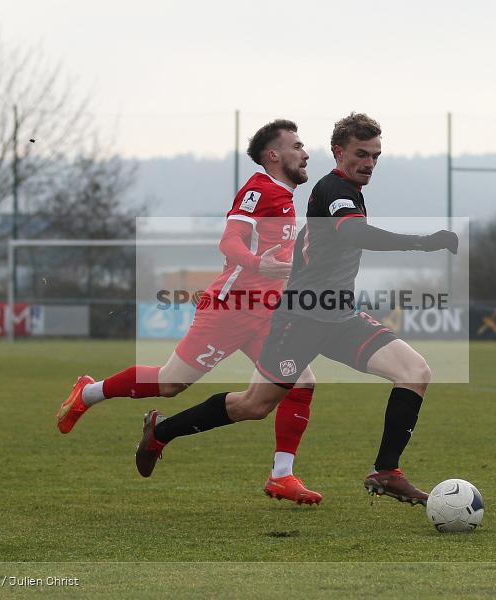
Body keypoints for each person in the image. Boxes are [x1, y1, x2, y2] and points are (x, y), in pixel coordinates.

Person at [133, 112, 459, 506]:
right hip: (300, 320)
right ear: (338, 152)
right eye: (361, 153)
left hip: (339, 316)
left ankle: (386, 472)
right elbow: (353, 232)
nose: (369, 163)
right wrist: (422, 242)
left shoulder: (350, 192)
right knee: (254, 406)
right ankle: (162, 432)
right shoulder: (333, 189)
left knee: (415, 371)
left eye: (375, 155)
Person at [56, 119, 324, 505]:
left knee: (300, 382)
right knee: (170, 383)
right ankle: (89, 392)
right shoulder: (258, 189)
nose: (305, 152)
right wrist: (256, 264)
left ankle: (281, 475)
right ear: (274, 155)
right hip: (230, 308)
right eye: (297, 146)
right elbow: (229, 240)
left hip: (266, 312)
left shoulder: (285, 197)